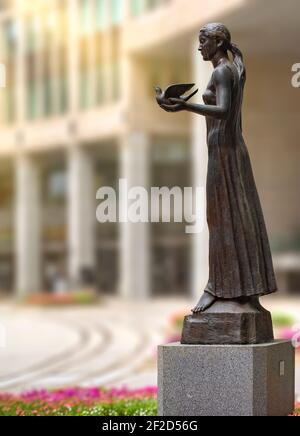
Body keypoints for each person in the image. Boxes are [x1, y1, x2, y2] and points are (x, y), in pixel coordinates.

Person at [159, 23, 277, 313]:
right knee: (234, 221)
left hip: (225, 156)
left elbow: (223, 111)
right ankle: (242, 290)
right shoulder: (231, 70)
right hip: (230, 153)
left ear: (217, 41)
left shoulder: (222, 71)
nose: (200, 47)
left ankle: (218, 288)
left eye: (203, 41)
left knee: (222, 221)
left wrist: (185, 107)